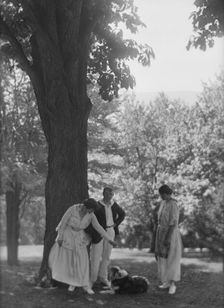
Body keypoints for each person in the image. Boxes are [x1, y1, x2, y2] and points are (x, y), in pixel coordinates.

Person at [48, 198, 116, 295]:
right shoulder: (73, 209)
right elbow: (63, 223)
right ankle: (73, 283)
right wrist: (60, 237)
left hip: (80, 238)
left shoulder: (91, 215)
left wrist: (110, 240)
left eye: (93, 211)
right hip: (68, 236)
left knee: (83, 261)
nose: (92, 212)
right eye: (91, 209)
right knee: (70, 261)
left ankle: (85, 285)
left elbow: (99, 228)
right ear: (85, 206)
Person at [87, 187, 125, 288]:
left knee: (106, 256)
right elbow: (91, 219)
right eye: (108, 194)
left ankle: (103, 277)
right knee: (95, 256)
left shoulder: (114, 205)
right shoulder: (98, 205)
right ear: (103, 194)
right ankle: (92, 280)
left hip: (110, 231)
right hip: (98, 232)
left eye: (111, 194)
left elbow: (122, 214)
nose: (110, 196)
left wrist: (115, 224)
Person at [155, 184, 182, 295]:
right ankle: (165, 281)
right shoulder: (163, 203)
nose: (161, 197)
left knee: (171, 258)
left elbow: (173, 222)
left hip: (170, 233)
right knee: (162, 258)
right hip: (161, 232)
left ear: (167, 193)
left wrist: (167, 238)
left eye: (162, 194)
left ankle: (172, 284)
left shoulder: (173, 204)